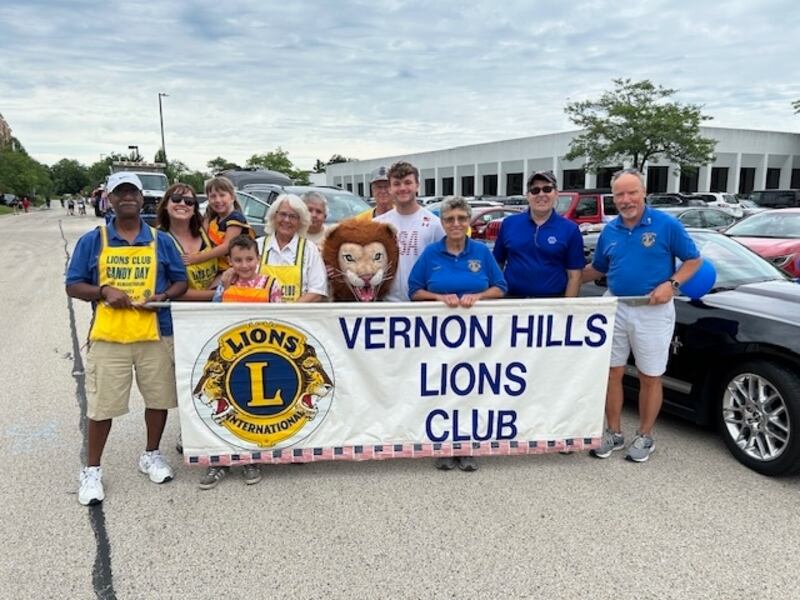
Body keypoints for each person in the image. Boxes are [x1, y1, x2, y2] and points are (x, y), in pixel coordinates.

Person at [66, 172, 188, 506]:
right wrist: (104, 290)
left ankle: (151, 454)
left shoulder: (160, 240)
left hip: (154, 333)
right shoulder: (95, 240)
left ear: (141, 197)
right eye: (120, 193)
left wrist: (162, 295)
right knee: (102, 405)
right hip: (109, 335)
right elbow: (73, 284)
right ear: (110, 199)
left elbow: (181, 282)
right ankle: (92, 470)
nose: (127, 198)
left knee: (158, 398)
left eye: (132, 192)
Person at [582, 168, 702, 463]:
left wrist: (672, 284)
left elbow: (694, 260)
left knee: (650, 376)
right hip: (616, 306)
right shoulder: (610, 230)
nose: (626, 199)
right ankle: (613, 432)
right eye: (619, 194)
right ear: (613, 198)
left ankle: (645, 435)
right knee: (612, 373)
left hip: (653, 310)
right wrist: (560, 279)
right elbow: (598, 268)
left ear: (644, 191)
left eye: (631, 192)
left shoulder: (666, 225)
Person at [409, 196, 507, 471]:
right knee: (442, 390)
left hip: (477, 339)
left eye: (462, 219)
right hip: (437, 338)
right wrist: (440, 298)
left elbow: (500, 287)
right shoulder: (431, 254)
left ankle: (466, 447)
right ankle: (442, 445)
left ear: (468, 223)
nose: (456, 224)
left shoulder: (481, 252)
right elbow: (414, 291)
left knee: (471, 391)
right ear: (442, 222)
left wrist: (479, 296)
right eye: (450, 219)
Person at [493, 171, 584, 298]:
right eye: (535, 190)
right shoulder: (509, 224)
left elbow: (575, 276)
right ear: (528, 195)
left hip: (552, 303)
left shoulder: (570, 229)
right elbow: (496, 265)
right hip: (512, 301)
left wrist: (566, 310)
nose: (541, 194)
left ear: (556, 193)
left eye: (547, 189)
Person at [375, 161, 445, 302]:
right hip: (387, 304)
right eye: (397, 184)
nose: (402, 188)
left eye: (408, 183)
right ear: (390, 188)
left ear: (417, 185)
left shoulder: (435, 224)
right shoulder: (378, 225)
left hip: (423, 304)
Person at [256, 193, 327, 302]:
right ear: (274, 216)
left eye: (293, 216)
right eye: (283, 214)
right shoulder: (257, 246)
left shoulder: (309, 249)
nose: (286, 220)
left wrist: (289, 313)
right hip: (262, 317)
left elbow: (317, 291)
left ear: (300, 221)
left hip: (296, 317)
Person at [156, 183, 219, 301]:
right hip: (178, 312)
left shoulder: (208, 231)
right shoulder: (158, 239)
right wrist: (217, 294)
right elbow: (168, 289)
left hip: (216, 311)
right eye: (176, 199)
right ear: (165, 204)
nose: (182, 204)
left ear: (194, 209)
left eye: (189, 201)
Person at [185, 176, 253, 272]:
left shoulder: (236, 218)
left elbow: (226, 247)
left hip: (232, 269)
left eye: (222, 195)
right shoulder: (213, 219)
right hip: (215, 267)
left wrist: (196, 258)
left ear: (232, 197)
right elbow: (202, 237)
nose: (217, 200)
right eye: (213, 196)